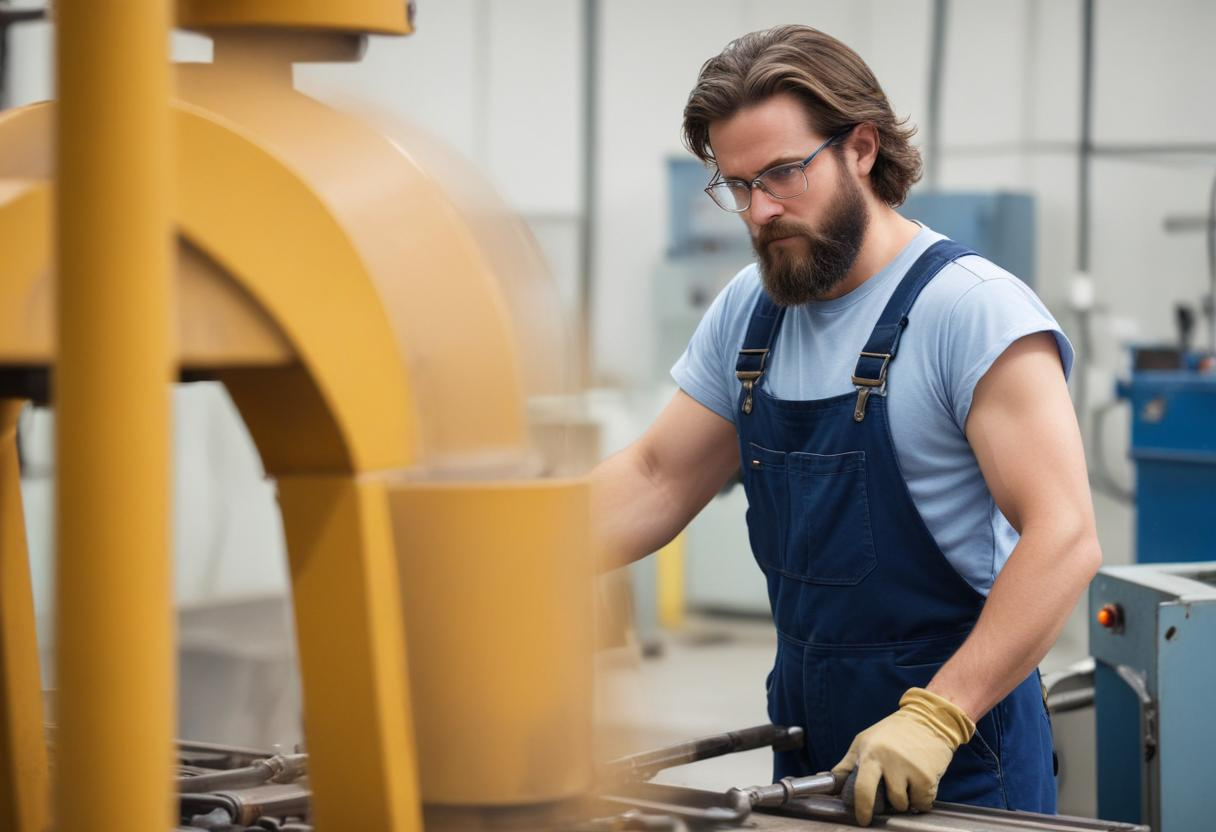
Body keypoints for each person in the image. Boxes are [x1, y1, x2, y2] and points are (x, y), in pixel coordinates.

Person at [591, 24, 1101, 827]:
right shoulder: (750, 313)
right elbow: (657, 476)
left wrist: (939, 713)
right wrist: (512, 560)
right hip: (808, 737)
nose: (760, 210)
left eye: (783, 174)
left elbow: (1065, 535)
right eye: (736, 186)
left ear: (861, 148)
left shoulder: (969, 309)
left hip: (955, 750)